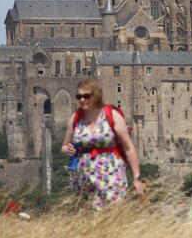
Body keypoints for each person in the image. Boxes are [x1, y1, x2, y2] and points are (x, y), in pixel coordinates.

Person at [61, 79, 145, 210]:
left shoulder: (112, 115)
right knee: (86, 222)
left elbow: (128, 147)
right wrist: (67, 149)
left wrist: (137, 177)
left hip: (110, 177)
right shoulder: (76, 118)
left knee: (111, 219)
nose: (82, 99)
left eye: (86, 96)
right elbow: (64, 145)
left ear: (96, 96)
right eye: (79, 96)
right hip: (83, 180)